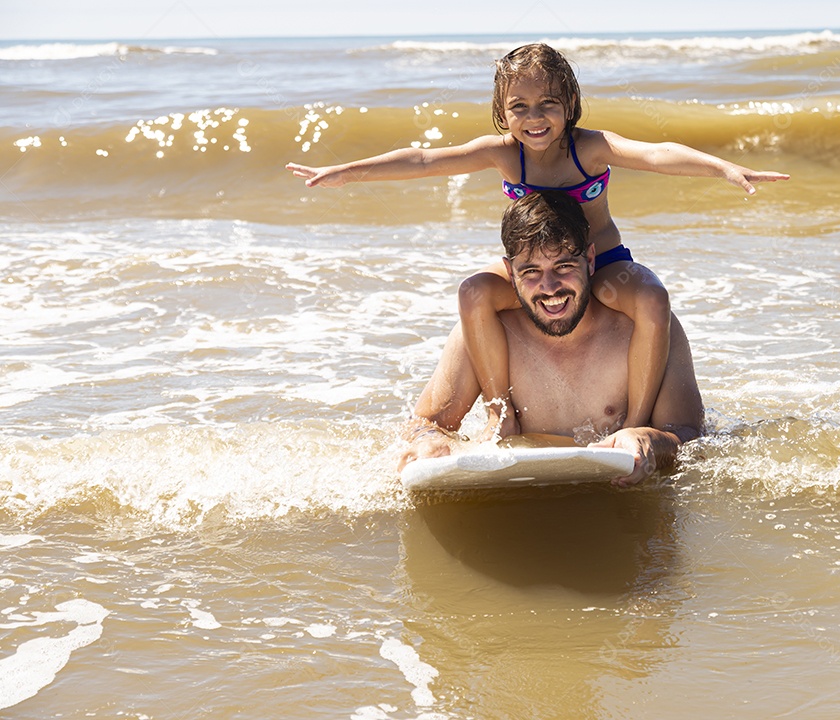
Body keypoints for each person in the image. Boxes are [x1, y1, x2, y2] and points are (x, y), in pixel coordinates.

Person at [288, 42, 785, 440]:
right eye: (519, 106)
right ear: (502, 113)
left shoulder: (590, 147)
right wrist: (346, 173)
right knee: (474, 292)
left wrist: (723, 168)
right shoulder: (505, 153)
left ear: (569, 103)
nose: (535, 116)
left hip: (599, 259)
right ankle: (499, 412)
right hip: (530, 266)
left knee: (652, 298)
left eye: (548, 102)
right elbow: (423, 159)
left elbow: (657, 154)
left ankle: (636, 423)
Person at [399, 191, 704, 487]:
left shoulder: (642, 328)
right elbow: (426, 423)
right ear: (509, 271)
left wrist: (649, 440)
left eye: (564, 267)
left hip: (618, 496)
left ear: (590, 260)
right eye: (531, 271)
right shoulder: (485, 333)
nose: (549, 287)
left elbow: (690, 435)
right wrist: (429, 441)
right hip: (516, 496)